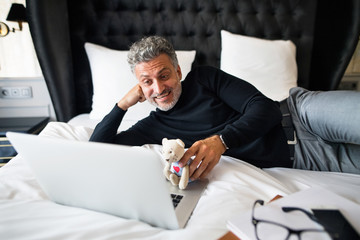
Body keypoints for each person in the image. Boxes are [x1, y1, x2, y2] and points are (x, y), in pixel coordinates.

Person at [90, 36, 360, 178]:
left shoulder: (204, 78)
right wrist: (122, 105)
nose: (158, 89)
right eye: (147, 82)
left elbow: (264, 108)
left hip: (303, 115)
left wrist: (221, 141)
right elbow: (97, 150)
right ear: (139, 86)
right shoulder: (151, 127)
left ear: (178, 70)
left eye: (164, 75)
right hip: (303, 158)